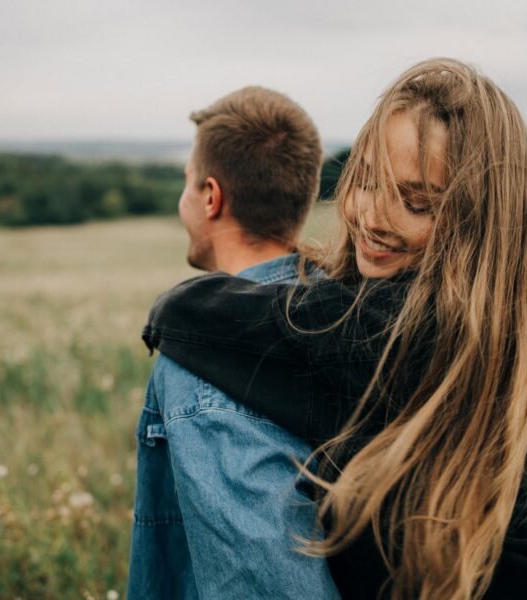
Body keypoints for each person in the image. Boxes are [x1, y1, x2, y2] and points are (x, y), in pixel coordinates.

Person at [142, 59, 527, 599]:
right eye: (368, 181)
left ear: (481, 225)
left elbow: (259, 329)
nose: (375, 217)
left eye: (418, 203)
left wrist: (174, 306)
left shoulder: (428, 332)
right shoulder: (512, 309)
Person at [127, 86, 340, 598]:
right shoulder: (348, 313)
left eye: (187, 184)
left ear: (211, 197)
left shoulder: (203, 362)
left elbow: (266, 585)